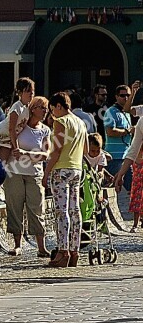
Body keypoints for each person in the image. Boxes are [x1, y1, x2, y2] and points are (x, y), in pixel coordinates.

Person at [43, 92, 88, 268]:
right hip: (77, 169)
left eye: (52, 109)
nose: (52, 113)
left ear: (59, 106)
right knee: (75, 210)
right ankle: (75, 250)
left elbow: (56, 150)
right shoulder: (81, 122)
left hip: (61, 169)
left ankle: (63, 251)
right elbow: (85, 149)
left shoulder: (61, 122)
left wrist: (46, 173)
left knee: (62, 212)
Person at [4, 96, 51, 258]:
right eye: (42, 108)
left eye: (46, 108)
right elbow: (5, 138)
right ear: (32, 109)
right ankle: (17, 245)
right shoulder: (20, 127)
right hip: (14, 172)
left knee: (37, 209)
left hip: (35, 174)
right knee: (15, 207)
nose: (45, 111)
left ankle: (41, 246)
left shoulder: (45, 130)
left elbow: (46, 154)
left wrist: (27, 154)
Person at [0, 77, 35, 163]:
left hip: (8, 140)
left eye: (32, 92)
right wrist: (16, 148)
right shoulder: (17, 107)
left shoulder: (28, 108)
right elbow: (11, 128)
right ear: (19, 93)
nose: (31, 94)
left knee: (2, 167)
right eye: (27, 91)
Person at [104, 85, 134, 193]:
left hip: (126, 155)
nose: (125, 98)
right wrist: (127, 131)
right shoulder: (111, 112)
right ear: (116, 97)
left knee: (130, 188)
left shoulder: (127, 113)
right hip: (114, 158)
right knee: (131, 186)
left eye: (128, 95)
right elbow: (110, 131)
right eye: (122, 95)